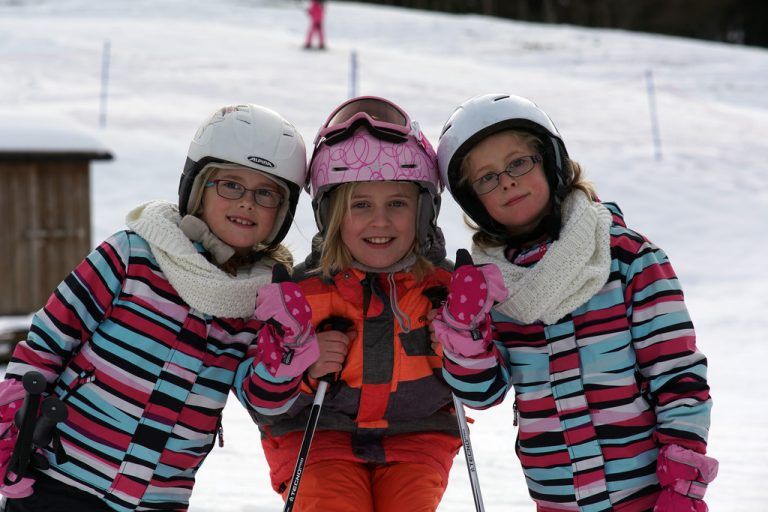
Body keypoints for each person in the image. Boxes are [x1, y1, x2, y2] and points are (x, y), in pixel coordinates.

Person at [0, 104, 320, 511]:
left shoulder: (259, 302)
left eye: (265, 193)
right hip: (63, 475)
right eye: (230, 185)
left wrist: (289, 340)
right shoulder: (132, 254)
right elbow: (49, 340)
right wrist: (12, 429)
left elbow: (264, 401)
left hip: (158, 497)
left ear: (283, 210)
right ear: (197, 186)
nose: (247, 203)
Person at [432, 93, 717, 512]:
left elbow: (678, 377)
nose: (507, 181)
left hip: (647, 496)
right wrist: (466, 333)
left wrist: (682, 485)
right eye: (487, 178)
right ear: (474, 199)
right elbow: (483, 392)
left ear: (549, 161)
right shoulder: (492, 288)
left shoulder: (625, 257)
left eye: (517, 163)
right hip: (557, 501)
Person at [252, 96, 461, 512]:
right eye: (360, 205)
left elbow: (485, 384)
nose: (379, 221)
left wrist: (459, 347)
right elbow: (262, 401)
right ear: (329, 215)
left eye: (397, 204)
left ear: (424, 212)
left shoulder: (444, 289)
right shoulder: (300, 295)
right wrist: (304, 368)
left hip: (416, 438)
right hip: (316, 439)